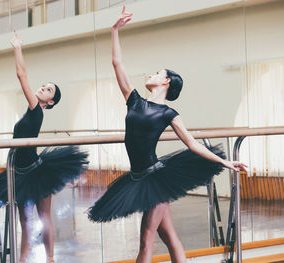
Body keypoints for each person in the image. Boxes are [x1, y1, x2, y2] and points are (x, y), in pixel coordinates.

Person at [88, 6, 247, 263]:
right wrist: (114, 31)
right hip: (138, 177)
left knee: (146, 239)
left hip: (156, 178)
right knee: (169, 235)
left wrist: (224, 162)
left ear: (166, 82)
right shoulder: (134, 100)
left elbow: (192, 143)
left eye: (157, 73)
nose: (151, 74)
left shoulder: (169, 113)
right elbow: (117, 64)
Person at [0, 31, 88, 263]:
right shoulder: (31, 111)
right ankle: (23, 258)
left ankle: (50, 258)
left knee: (44, 217)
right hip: (19, 172)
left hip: (36, 173)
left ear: (50, 102)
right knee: (24, 222)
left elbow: (21, 74)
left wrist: (17, 47)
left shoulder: (37, 109)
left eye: (48, 90)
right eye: (44, 86)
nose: (43, 88)